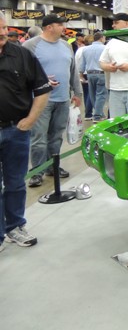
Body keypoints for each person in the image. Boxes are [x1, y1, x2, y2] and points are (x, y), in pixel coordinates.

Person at [0, 13, 51, 249]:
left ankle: (15, 227)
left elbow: (42, 89)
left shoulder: (22, 55)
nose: (2, 32)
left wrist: (31, 119)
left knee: (15, 182)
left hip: (15, 131)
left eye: (3, 27)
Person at [23, 14, 82, 187]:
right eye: (60, 25)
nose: (64, 28)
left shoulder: (65, 46)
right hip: (40, 102)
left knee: (56, 137)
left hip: (63, 99)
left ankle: (53, 167)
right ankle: (37, 172)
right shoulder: (30, 46)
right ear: (49, 27)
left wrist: (77, 92)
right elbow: (22, 72)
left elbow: (72, 70)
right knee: (39, 138)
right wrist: (41, 80)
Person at [79, 32, 108, 122]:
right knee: (101, 95)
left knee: (92, 94)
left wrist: (81, 76)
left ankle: (100, 114)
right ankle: (97, 116)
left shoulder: (85, 49)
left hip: (89, 74)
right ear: (101, 38)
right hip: (101, 73)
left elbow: (82, 64)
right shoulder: (105, 48)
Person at [75, 34, 93, 120]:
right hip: (89, 72)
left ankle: (88, 112)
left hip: (81, 74)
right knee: (91, 93)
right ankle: (88, 112)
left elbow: (76, 61)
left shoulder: (79, 50)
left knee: (86, 93)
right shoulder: (90, 50)